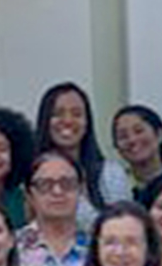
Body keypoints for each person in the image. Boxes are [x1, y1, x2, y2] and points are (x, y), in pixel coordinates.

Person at [36, 82, 127, 215]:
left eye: (76, 114)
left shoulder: (110, 174)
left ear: (87, 122)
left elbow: (125, 226)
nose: (67, 121)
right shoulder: (30, 176)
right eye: (57, 114)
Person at [14, 152, 92, 266]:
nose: (57, 191)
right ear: (29, 194)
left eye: (67, 183)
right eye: (45, 185)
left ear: (81, 190)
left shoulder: (98, 245)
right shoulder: (12, 245)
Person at [109, 104, 162, 198]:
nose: (132, 140)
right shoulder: (115, 186)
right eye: (123, 136)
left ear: (160, 135)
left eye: (139, 131)